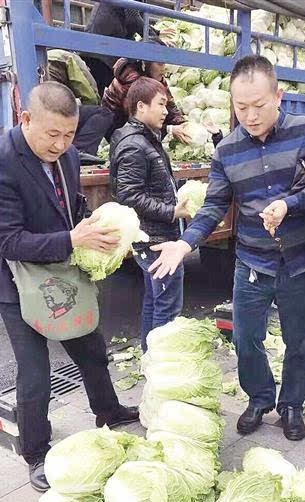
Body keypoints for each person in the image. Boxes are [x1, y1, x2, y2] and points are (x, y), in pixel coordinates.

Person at [148, 55, 305, 440]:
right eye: (241, 107)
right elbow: (215, 205)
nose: (250, 116)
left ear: (278, 96)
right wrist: (185, 243)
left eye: (259, 106)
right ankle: (260, 398)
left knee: (299, 339)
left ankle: (291, 405)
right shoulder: (227, 151)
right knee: (245, 337)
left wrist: (291, 204)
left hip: (302, 261)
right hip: (252, 262)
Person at [0, 82, 139, 492]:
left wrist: (95, 226)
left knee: (92, 349)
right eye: (52, 134)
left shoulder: (65, 157)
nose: (61, 144)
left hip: (63, 277)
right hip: (19, 285)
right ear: (25, 119)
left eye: (68, 135)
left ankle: (109, 410)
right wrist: (72, 241)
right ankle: (35, 451)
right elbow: (7, 241)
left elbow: (72, 207)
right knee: (35, 370)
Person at [110, 77, 190, 352]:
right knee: (167, 306)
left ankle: (150, 358)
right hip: (156, 238)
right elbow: (128, 194)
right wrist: (171, 211)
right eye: (161, 105)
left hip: (154, 234)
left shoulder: (143, 138)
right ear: (141, 107)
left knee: (154, 301)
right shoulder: (135, 144)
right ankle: (162, 365)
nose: (166, 111)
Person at [102, 52, 191, 144]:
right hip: (118, 127)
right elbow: (136, 119)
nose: (164, 68)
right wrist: (169, 129)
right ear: (145, 63)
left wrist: (181, 123)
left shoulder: (156, 77)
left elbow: (168, 103)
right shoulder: (132, 82)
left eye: (164, 63)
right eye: (160, 63)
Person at [47, 49, 115, 156]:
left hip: (40, 112)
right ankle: (80, 151)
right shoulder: (69, 57)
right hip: (54, 113)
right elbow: (88, 92)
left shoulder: (39, 57)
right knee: (102, 113)